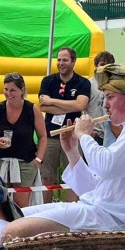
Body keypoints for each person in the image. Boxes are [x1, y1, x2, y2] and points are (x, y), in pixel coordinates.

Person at [1, 64, 125, 240]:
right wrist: (72, 151)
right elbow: (93, 190)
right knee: (10, 216)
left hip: (118, 219)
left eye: (110, 97)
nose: (105, 105)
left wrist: (84, 135)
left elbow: (107, 167)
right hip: (104, 212)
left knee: (12, 231)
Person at [0, 73, 46, 208]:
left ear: (22, 90)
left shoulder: (32, 109)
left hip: (25, 162)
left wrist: (38, 160)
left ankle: (19, 228)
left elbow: (42, 136)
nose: (8, 93)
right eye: (6, 89)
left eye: (12, 90)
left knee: (21, 205)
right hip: (1, 161)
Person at [39, 46, 91, 203]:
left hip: (73, 137)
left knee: (74, 174)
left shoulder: (83, 82)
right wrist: (70, 104)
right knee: (47, 175)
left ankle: (71, 210)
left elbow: (80, 105)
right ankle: (46, 211)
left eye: (65, 60)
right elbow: (43, 106)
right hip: (51, 136)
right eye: (59, 60)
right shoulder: (48, 81)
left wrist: (52, 101)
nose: (61, 63)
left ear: (73, 61)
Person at [87, 51, 116, 142]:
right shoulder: (88, 84)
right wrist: (88, 130)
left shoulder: (114, 84)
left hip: (111, 133)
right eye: (102, 64)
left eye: (108, 65)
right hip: (95, 133)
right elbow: (82, 108)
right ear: (96, 65)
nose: (105, 67)